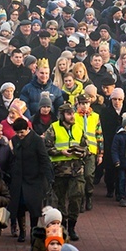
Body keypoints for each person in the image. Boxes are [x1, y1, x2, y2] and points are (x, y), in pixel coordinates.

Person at [44, 103, 88, 242]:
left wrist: (81, 152)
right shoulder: (54, 128)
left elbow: (86, 147)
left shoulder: (79, 128)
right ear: (62, 115)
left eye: (73, 113)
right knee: (60, 200)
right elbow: (47, 148)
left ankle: (72, 226)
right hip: (60, 170)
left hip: (76, 169)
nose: (72, 116)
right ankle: (62, 227)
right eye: (69, 114)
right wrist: (60, 152)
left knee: (77, 196)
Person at [8, 117, 52, 244]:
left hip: (34, 179)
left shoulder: (37, 141)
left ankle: (33, 230)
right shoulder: (15, 140)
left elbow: (44, 159)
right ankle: (22, 231)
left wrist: (48, 177)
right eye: (17, 133)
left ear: (28, 129)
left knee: (34, 207)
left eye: (22, 132)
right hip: (18, 179)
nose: (19, 135)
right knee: (19, 206)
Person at [75, 94, 103, 211]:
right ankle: (81, 200)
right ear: (78, 104)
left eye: (86, 103)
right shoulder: (74, 116)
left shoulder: (95, 116)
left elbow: (99, 135)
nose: (84, 106)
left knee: (89, 175)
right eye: (82, 103)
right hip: (78, 151)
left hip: (91, 151)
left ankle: (89, 196)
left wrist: (100, 153)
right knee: (79, 177)